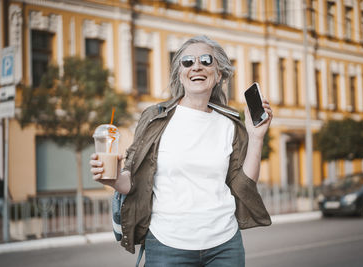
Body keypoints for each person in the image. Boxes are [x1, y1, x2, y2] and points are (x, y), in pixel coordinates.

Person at [90, 35, 273, 266]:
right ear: (180, 74)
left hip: (225, 244)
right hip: (167, 245)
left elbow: (244, 184)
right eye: (187, 61)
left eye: (206, 60)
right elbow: (132, 182)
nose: (196, 66)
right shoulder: (155, 118)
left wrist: (256, 137)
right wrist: (114, 178)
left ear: (218, 75)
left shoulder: (231, 124)